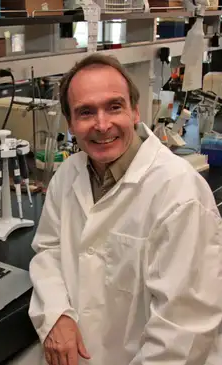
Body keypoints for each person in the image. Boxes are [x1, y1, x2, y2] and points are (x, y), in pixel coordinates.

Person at [28, 54, 222, 365]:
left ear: (135, 111)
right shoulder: (69, 174)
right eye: (86, 112)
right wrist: (55, 313)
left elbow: (183, 335)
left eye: (114, 107)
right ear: (71, 123)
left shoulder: (180, 194)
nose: (102, 124)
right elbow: (49, 249)